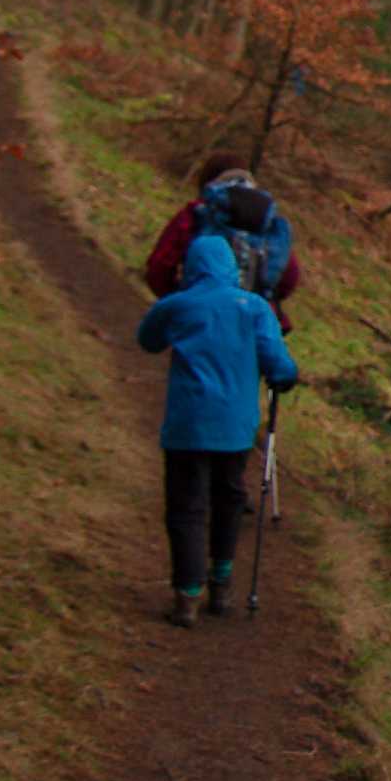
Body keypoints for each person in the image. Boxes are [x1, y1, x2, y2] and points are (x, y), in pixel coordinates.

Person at [137, 227, 300, 625]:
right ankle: (222, 581)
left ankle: (187, 594)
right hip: (235, 427)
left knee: (186, 507)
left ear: (191, 266)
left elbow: (147, 339)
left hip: (187, 425)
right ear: (231, 267)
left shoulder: (178, 306)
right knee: (228, 499)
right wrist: (285, 376)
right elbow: (278, 363)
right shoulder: (254, 307)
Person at [145, 152, 304, 332]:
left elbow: (159, 267)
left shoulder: (198, 212)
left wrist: (179, 300)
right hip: (252, 323)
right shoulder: (267, 219)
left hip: (201, 319)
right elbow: (290, 277)